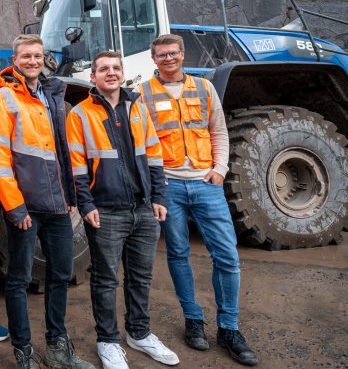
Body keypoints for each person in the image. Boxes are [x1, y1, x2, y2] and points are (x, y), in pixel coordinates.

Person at [138, 34, 258, 366]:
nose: (168, 59)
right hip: (169, 187)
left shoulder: (204, 88)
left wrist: (220, 169)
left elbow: (218, 130)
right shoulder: (144, 94)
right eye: (161, 55)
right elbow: (142, 142)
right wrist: (154, 185)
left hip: (206, 184)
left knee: (227, 255)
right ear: (154, 59)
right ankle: (193, 320)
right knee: (178, 253)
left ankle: (229, 328)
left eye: (173, 53)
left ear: (182, 54)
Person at [0, 34, 94, 369]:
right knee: (18, 280)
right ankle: (24, 352)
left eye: (37, 55)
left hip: (59, 206)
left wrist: (72, 195)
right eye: (26, 56)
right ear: (14, 60)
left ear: (44, 58)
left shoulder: (54, 94)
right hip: (27, 208)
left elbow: (65, 150)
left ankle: (58, 347)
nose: (32, 61)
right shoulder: (2, 99)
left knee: (60, 274)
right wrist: (15, 208)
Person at [67, 51, 179, 369]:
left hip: (143, 209)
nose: (111, 73)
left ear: (122, 72)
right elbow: (76, 165)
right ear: (93, 76)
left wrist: (159, 197)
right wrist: (86, 204)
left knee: (141, 277)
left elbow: (154, 156)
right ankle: (108, 342)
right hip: (107, 211)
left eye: (116, 68)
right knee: (105, 280)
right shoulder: (80, 114)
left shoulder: (137, 108)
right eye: (104, 69)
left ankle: (139, 334)